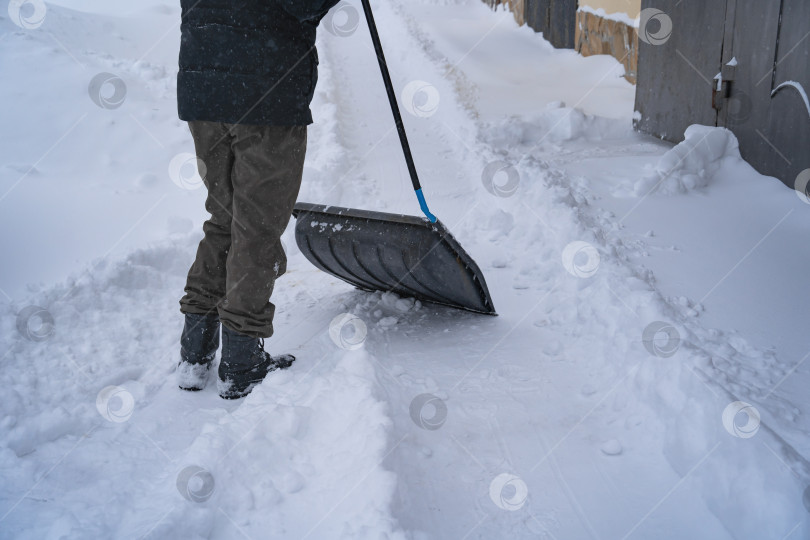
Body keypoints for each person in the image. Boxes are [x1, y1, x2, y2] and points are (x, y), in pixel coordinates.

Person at [174, 0, 340, 399]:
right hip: (266, 91)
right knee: (256, 229)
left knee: (225, 218)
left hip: (203, 87)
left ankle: (194, 354)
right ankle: (241, 361)